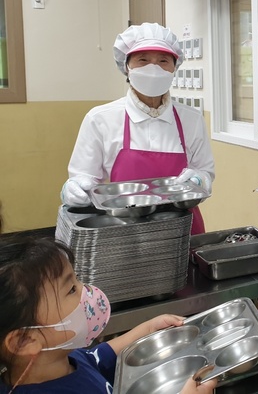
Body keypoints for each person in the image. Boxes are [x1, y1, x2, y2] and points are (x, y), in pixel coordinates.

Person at [0, 236, 217, 393]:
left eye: (78, 279)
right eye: (72, 289)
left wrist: (147, 329)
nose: (86, 291)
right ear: (25, 341)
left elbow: (101, 356)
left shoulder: (65, 359)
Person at [60, 23, 214, 234]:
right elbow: (85, 177)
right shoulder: (100, 119)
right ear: (127, 66)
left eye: (163, 61)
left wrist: (199, 180)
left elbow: (204, 171)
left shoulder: (192, 119)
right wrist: (75, 187)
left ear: (174, 68)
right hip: (125, 233)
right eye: (143, 60)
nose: (154, 68)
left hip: (183, 230)